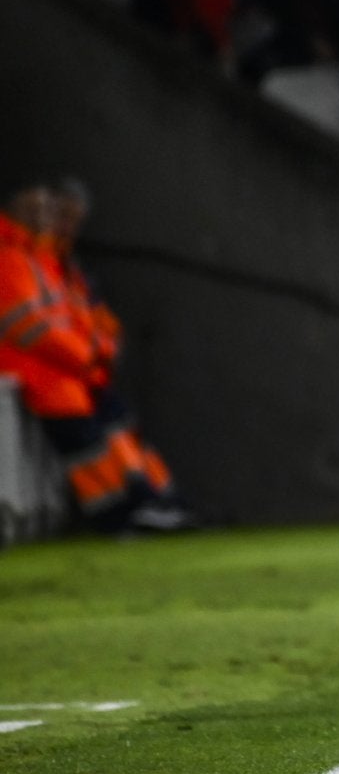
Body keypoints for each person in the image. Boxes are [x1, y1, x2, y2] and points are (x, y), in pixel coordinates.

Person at [0, 182, 194, 534]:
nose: (44, 218)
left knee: (116, 429)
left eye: (45, 211)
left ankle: (152, 501)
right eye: (36, 210)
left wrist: (101, 348)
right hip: (43, 372)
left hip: (66, 369)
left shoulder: (45, 257)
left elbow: (80, 312)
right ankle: (122, 513)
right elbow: (26, 324)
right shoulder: (15, 255)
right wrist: (87, 355)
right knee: (88, 440)